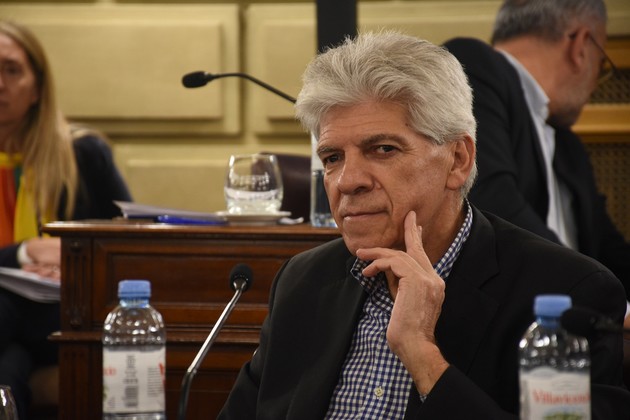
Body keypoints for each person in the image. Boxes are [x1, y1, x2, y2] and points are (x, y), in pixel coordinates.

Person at [218, 31, 630, 419]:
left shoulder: (569, 293)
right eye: (332, 158)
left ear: (458, 160)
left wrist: (422, 355)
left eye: (383, 149)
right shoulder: (302, 282)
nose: (347, 181)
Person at [443, 0, 630, 313]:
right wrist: (602, 300)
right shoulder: (473, 66)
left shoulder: (568, 145)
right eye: (601, 64)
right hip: (502, 321)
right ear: (580, 46)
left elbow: (608, 247)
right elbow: (491, 203)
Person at [0, 20, 132, 417]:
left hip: (62, 312)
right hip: (12, 328)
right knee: (8, 364)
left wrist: (72, 260)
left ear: (38, 88)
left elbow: (126, 247)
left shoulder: (82, 155)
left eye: (11, 70)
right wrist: (24, 253)